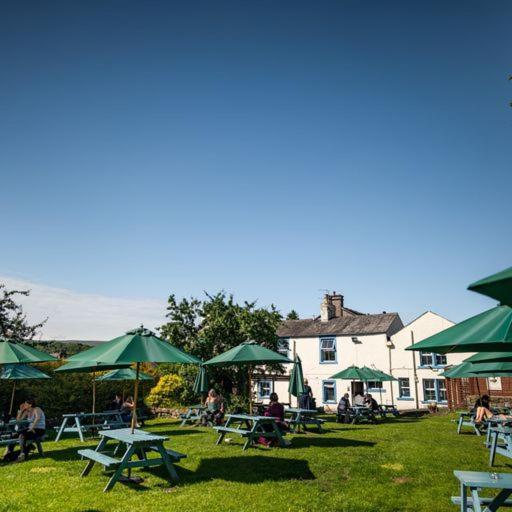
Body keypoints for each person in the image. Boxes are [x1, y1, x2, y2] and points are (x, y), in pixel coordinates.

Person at [5, 398, 46, 462]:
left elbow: (37, 418)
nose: (24, 405)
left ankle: (22, 454)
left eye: (26, 404)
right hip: (30, 429)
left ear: (30, 404)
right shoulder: (27, 412)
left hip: (39, 430)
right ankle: (9, 453)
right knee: (14, 435)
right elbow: (18, 421)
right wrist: (20, 412)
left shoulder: (37, 409)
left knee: (22, 435)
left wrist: (32, 427)